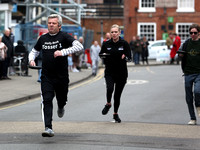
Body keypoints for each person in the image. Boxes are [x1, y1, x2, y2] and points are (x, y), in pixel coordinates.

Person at [29, 14, 83, 137]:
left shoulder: (64, 36)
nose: (51, 25)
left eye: (53, 23)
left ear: (59, 25)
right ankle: (48, 127)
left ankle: (61, 106)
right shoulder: (43, 38)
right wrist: (31, 60)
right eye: (49, 23)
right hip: (47, 76)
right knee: (46, 100)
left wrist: (62, 52)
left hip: (62, 76)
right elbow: (34, 51)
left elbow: (79, 46)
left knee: (61, 99)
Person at [99, 24, 131, 123]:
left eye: (116, 32)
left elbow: (130, 57)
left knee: (117, 95)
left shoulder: (124, 43)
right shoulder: (106, 43)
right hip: (110, 71)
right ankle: (108, 103)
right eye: (112, 32)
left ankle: (115, 114)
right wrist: (103, 55)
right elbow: (101, 54)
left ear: (119, 33)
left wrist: (125, 57)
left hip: (121, 73)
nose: (114, 34)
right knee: (109, 88)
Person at [178, 23, 200, 125]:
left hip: (199, 73)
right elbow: (180, 53)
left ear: (199, 33)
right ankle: (193, 118)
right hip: (188, 73)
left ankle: (199, 105)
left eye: (195, 33)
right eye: (191, 33)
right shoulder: (186, 43)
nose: (193, 34)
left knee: (197, 91)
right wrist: (180, 55)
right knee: (188, 97)